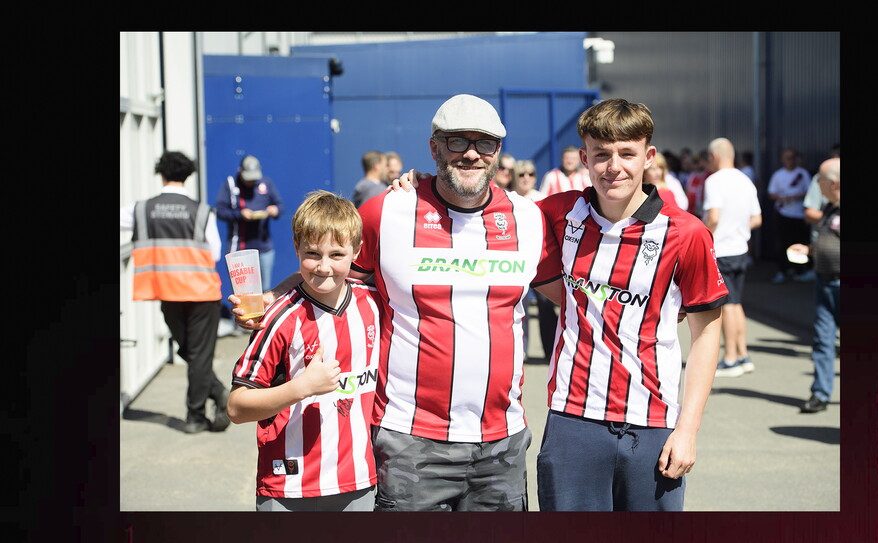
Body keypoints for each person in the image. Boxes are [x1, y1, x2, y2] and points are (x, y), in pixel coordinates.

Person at [234, 94, 564, 511]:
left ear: (498, 150)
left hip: (502, 444)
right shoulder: (387, 211)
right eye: (457, 141)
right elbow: (330, 270)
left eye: (484, 142)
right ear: (434, 147)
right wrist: (272, 298)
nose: (471, 153)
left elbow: (575, 299)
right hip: (410, 441)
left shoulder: (527, 218)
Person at [535, 98, 727, 511]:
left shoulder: (686, 233)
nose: (613, 167)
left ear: (649, 157)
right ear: (584, 158)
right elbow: (483, 211)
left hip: (653, 424)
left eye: (627, 153)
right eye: (601, 154)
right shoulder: (556, 213)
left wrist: (688, 430)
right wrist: (416, 189)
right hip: (572, 420)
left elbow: (707, 334)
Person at [226, 190, 381, 511]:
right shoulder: (279, 318)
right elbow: (237, 408)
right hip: (289, 487)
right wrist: (302, 388)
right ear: (296, 248)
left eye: (336, 254)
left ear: (356, 251)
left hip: (358, 481)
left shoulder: (375, 302)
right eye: (312, 253)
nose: (324, 267)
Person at [121, 151, 230, 434]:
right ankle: (202, 410)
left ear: (161, 174)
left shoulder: (141, 210)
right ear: (188, 176)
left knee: (190, 352)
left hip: (167, 292)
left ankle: (208, 402)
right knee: (197, 355)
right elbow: (215, 252)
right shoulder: (202, 211)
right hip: (202, 293)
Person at [701, 138, 763, 377]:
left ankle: (730, 358)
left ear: (715, 156)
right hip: (740, 248)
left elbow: (714, 217)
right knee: (736, 304)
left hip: (721, 250)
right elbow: (756, 219)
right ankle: (743, 355)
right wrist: (738, 228)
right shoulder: (745, 180)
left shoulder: (714, 181)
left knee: (726, 306)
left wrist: (704, 237)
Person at [790, 158, 840, 414]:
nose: (816, 183)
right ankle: (820, 394)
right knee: (822, 340)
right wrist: (809, 250)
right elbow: (828, 240)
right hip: (824, 282)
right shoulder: (829, 208)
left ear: (833, 183)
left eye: (819, 179)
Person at [508, 160, 557, 361]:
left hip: (540, 261)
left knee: (546, 307)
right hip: (515, 261)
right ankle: (521, 352)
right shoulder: (507, 199)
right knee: (519, 307)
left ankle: (551, 353)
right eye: (521, 174)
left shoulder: (542, 199)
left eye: (530, 174)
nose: (526, 178)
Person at [215, 154, 284, 292]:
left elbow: (280, 206)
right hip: (239, 246)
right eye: (248, 179)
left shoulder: (266, 183)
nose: (251, 182)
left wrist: (275, 210)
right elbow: (220, 211)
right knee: (242, 291)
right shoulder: (231, 184)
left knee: (265, 289)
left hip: (263, 246)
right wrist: (240, 214)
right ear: (240, 171)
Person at [767, 148, 814, 283]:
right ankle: (783, 270)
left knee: (800, 242)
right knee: (783, 243)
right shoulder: (778, 175)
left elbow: (810, 191)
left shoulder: (802, 174)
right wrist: (782, 198)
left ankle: (800, 270)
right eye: (787, 157)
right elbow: (771, 193)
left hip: (799, 215)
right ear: (783, 159)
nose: (790, 160)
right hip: (783, 213)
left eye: (792, 157)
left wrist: (796, 196)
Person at [683, 149, 712, 219]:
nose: (696, 164)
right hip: (691, 211)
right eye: (695, 162)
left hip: (702, 212)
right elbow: (687, 190)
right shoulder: (692, 175)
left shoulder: (709, 175)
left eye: (698, 162)